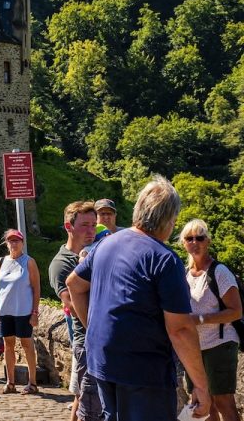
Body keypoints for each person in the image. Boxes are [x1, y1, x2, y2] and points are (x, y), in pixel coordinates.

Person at [67, 175, 211, 420]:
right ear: (169, 219)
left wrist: (93, 327)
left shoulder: (106, 245)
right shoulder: (164, 259)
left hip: (102, 360)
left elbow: (74, 284)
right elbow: (180, 329)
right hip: (143, 370)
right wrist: (201, 386)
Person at [181, 218, 241, 421]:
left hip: (220, 344)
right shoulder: (184, 274)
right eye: (189, 238)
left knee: (223, 402)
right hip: (193, 349)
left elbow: (236, 311)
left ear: (208, 241)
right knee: (203, 404)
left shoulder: (219, 272)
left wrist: (200, 319)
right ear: (183, 243)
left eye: (200, 238)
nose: (194, 242)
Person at [49, 200, 100, 421]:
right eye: (85, 225)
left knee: (84, 400)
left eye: (94, 225)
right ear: (69, 227)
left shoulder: (97, 251)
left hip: (101, 338)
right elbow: (72, 304)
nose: (91, 231)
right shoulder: (61, 263)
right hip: (86, 340)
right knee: (90, 405)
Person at [0, 229, 41, 394]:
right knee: (8, 345)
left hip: (23, 310)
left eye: (17, 241)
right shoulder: (1, 261)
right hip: (5, 311)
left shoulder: (29, 262)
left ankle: (32, 383)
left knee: (27, 345)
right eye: (11, 241)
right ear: (6, 244)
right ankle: (10, 382)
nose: (14, 244)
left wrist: (35, 312)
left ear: (22, 243)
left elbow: (36, 288)